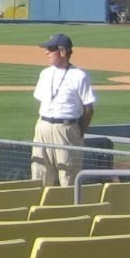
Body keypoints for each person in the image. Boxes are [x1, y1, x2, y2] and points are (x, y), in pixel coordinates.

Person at [30, 33, 96, 187]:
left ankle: (69, 208)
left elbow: (89, 108)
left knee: (68, 174)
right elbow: (42, 100)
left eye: (50, 49)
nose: (46, 52)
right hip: (43, 126)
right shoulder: (44, 74)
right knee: (40, 172)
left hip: (66, 128)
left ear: (63, 52)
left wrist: (79, 131)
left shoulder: (79, 76)